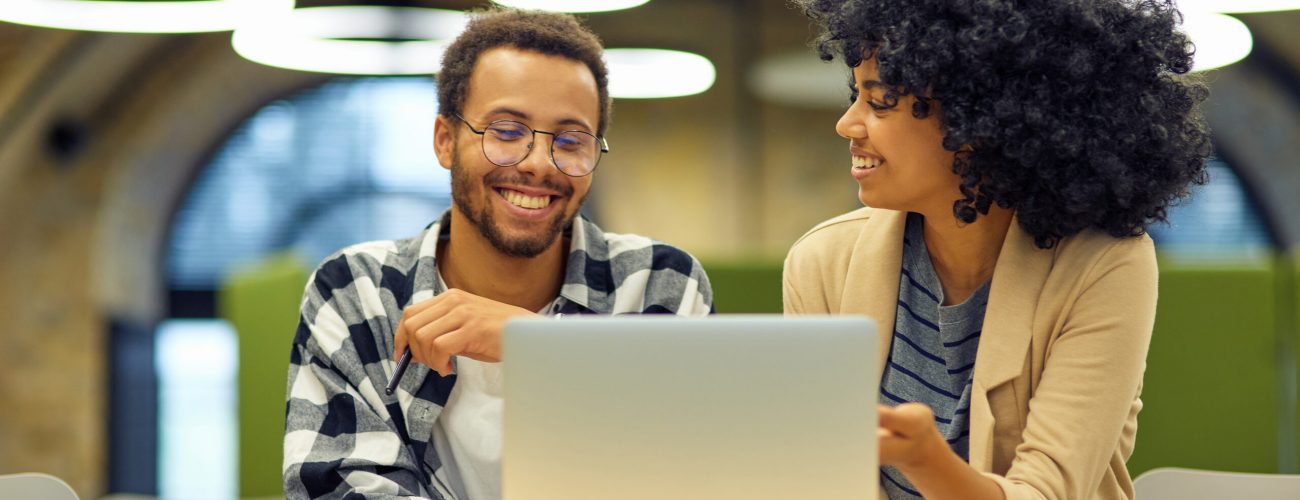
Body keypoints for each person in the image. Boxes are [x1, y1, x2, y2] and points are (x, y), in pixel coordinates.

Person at [784, 1, 1210, 499]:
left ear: (977, 123)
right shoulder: (823, 262)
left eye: (878, 103)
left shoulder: (1103, 264)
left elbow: (1047, 492)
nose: (847, 125)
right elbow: (819, 479)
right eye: (855, 97)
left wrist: (925, 460)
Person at [282, 8, 713, 499]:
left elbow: (687, 473)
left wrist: (533, 344)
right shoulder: (357, 291)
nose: (537, 164)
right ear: (446, 141)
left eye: (571, 140)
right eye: (507, 132)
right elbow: (338, 489)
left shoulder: (657, 283)